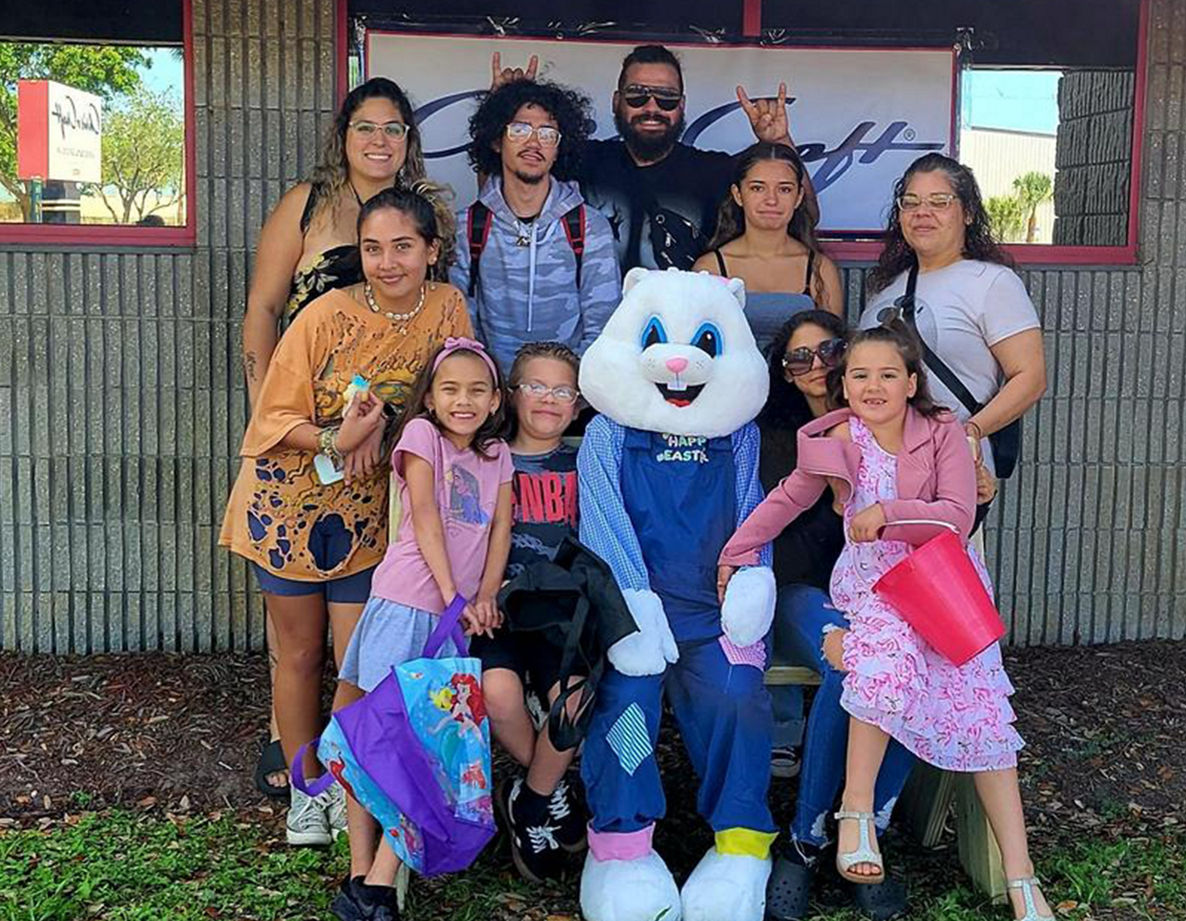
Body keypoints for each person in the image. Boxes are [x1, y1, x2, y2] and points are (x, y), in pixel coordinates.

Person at [720, 323, 1055, 921]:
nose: (872, 385)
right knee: (880, 660)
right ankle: (855, 812)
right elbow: (787, 499)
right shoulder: (833, 437)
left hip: (942, 587)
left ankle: (1021, 875)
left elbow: (955, 515)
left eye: (887, 374)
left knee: (981, 708)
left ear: (911, 382)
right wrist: (736, 550)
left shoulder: (945, 433)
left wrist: (888, 512)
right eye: (859, 374)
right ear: (843, 384)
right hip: (874, 588)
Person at [219, 187, 473, 846]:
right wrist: (336, 438)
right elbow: (271, 420)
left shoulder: (447, 310)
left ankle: (352, 780)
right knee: (299, 655)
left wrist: (387, 426)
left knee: (356, 660)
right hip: (289, 502)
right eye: (372, 248)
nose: (386, 262)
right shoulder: (325, 315)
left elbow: (457, 405)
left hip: (373, 516)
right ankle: (308, 791)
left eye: (402, 247)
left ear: (431, 251)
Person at [239, 77, 453, 798]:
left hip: (391, 449)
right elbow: (263, 311)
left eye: (394, 128)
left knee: (361, 627)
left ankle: (349, 768)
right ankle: (296, 757)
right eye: (366, 127)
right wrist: (291, 424)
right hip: (306, 431)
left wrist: (399, 433)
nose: (379, 141)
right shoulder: (306, 205)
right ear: (344, 135)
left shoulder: (432, 219)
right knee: (297, 631)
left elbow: (438, 352)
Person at [333, 337, 512, 921]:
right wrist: (453, 598)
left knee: (425, 746)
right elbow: (428, 522)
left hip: (454, 615)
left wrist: (484, 595)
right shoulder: (420, 437)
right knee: (373, 735)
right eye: (451, 389)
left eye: (477, 390)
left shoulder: (497, 456)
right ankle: (364, 876)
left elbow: (499, 533)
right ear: (430, 398)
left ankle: (378, 884)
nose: (464, 400)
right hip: (408, 603)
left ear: (494, 401)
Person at [750, 311, 917, 921]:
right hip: (804, 590)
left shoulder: (899, 423)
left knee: (912, 665)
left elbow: (941, 514)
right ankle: (807, 838)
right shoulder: (777, 434)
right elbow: (773, 512)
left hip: (892, 595)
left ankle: (866, 825)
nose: (815, 364)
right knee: (852, 662)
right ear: (785, 374)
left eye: (828, 349)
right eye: (799, 358)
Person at [492, 46, 814, 273]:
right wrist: (504, 112)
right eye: (637, 95)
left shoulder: (713, 172)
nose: (651, 107)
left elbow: (805, 215)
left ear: (681, 106)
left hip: (679, 345)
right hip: (591, 333)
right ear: (617, 102)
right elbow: (500, 198)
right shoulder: (579, 160)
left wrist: (778, 143)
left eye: (666, 98)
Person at [861, 153, 1046, 520]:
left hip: (949, 473)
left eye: (939, 202)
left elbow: (1031, 377)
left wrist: (970, 432)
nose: (922, 212)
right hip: (877, 474)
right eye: (910, 203)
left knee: (935, 576)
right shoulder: (885, 289)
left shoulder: (992, 283)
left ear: (968, 213)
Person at [471, 341, 590, 882]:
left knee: (574, 703)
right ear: (512, 395)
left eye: (562, 390)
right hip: (496, 609)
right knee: (497, 693)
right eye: (536, 387)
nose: (548, 400)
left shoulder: (587, 457)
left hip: (562, 614)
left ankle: (530, 803)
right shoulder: (483, 456)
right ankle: (552, 784)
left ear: (579, 402)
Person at [450, 79, 620, 375]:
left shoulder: (590, 227)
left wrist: (566, 392)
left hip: (566, 401)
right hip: (492, 402)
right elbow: (462, 325)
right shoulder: (466, 227)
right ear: (495, 140)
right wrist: (490, 391)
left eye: (547, 133)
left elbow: (603, 326)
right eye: (519, 129)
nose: (534, 142)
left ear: (559, 147)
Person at [693, 142, 843, 350]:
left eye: (784, 189)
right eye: (757, 188)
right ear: (738, 194)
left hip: (799, 382)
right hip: (734, 382)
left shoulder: (819, 268)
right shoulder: (710, 268)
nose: (771, 200)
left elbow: (831, 352)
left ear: (799, 197)